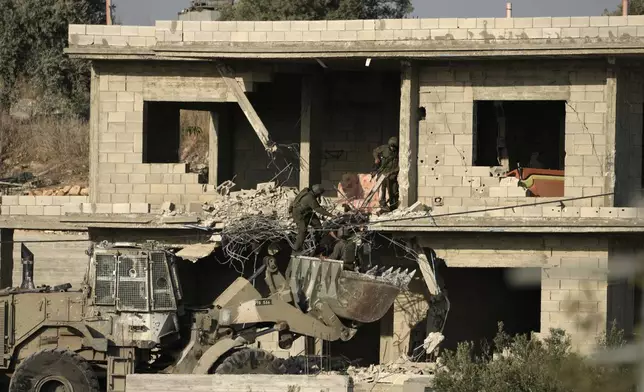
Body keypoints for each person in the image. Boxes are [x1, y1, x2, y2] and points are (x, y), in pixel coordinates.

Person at [289, 184, 333, 252]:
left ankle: (317, 242)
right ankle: (296, 248)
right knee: (303, 230)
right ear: (317, 193)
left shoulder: (309, 193)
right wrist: (331, 215)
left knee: (318, 226)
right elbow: (318, 209)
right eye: (320, 194)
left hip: (307, 212)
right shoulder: (310, 197)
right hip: (298, 214)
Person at [373, 136, 400, 211]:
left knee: (393, 191)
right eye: (391, 146)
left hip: (392, 175)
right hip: (382, 173)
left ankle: (393, 207)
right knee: (383, 189)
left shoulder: (398, 153)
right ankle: (383, 204)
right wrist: (376, 158)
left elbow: (399, 167)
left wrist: (391, 173)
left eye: (394, 147)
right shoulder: (384, 148)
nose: (392, 148)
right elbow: (375, 151)